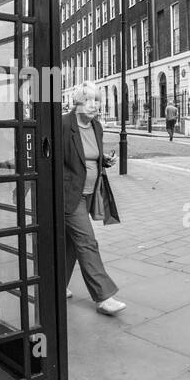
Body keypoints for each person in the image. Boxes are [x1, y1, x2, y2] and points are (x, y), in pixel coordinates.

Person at [61, 81, 126, 315]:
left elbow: (90, 156)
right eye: (88, 100)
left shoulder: (96, 126)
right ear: (77, 102)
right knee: (87, 242)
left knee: (71, 244)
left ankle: (56, 286)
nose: (94, 105)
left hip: (90, 193)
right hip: (70, 196)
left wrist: (104, 160)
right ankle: (103, 296)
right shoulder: (63, 124)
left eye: (97, 100)